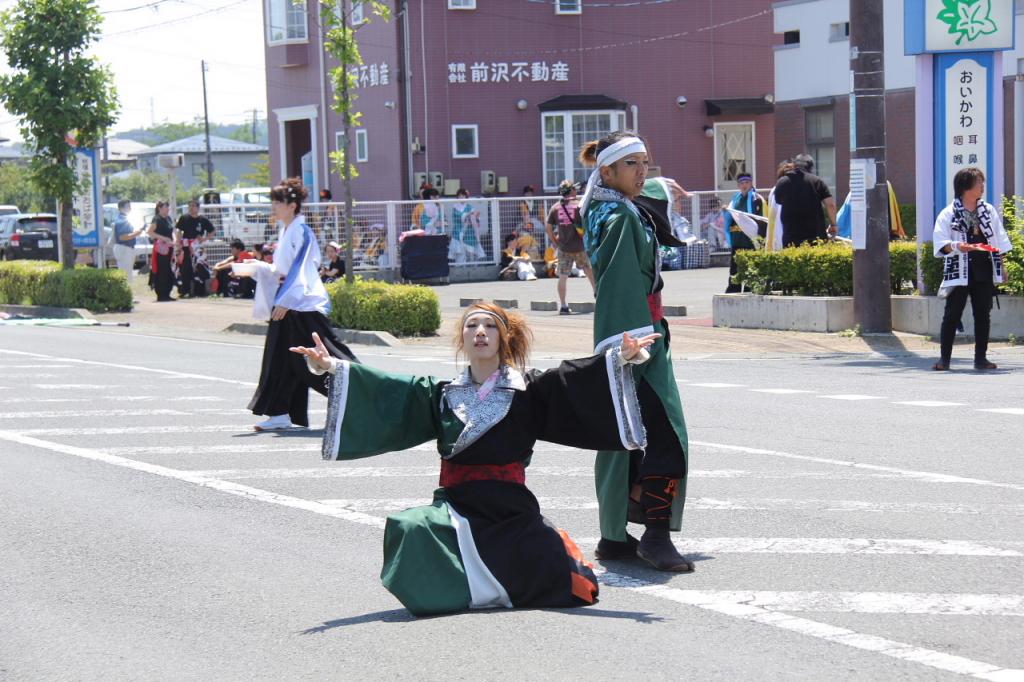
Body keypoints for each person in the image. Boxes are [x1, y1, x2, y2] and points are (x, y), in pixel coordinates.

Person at [290, 302, 660, 616]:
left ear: (503, 338)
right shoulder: (441, 394)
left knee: (566, 580)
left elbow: (576, 380)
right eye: (471, 326)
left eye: (489, 326)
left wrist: (621, 359)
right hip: (455, 507)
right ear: (462, 339)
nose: (480, 332)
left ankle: (544, 549)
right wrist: (330, 368)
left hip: (511, 510)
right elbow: (385, 389)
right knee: (411, 530)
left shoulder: (529, 389)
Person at [578, 130, 693, 572]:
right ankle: (657, 534)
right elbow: (621, 284)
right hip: (636, 338)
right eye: (632, 164)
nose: (642, 171)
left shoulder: (610, 207)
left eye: (646, 162)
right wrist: (630, 348)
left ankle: (613, 536)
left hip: (625, 334)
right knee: (665, 432)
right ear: (606, 171)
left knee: (620, 433)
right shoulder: (622, 217)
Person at [242, 177, 357, 431]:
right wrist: (257, 268)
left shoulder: (301, 231)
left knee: (326, 356)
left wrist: (286, 299)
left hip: (301, 305)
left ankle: (363, 396)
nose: (273, 207)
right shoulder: (287, 230)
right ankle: (280, 412)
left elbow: (302, 267)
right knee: (281, 358)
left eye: (277, 202)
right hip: (289, 301)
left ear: (292, 205)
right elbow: (282, 269)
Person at [932, 167, 1012, 371]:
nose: (982, 186)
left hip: (984, 267)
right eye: (979, 183)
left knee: (983, 314)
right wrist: (958, 246)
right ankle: (944, 359)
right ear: (966, 186)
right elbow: (941, 242)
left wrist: (1002, 266)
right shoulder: (949, 213)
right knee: (952, 314)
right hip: (960, 268)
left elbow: (999, 239)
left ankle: (981, 359)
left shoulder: (988, 210)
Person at [544, 180, 594, 314]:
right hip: (580, 246)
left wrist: (555, 243)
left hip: (564, 248)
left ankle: (564, 305)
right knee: (588, 270)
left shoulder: (555, 207)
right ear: (572, 190)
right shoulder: (579, 206)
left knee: (563, 276)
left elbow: (548, 227)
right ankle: (598, 296)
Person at [773, 153, 837, 247]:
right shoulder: (816, 181)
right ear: (810, 167)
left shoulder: (782, 182)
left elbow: (778, 201)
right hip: (816, 236)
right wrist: (833, 224)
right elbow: (830, 204)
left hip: (791, 237)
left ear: (794, 165)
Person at [722, 173, 765, 293]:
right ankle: (733, 290)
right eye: (741, 183)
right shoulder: (736, 199)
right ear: (738, 185)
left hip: (749, 240)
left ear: (751, 183)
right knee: (734, 269)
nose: (744, 185)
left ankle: (750, 289)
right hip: (737, 239)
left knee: (750, 268)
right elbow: (730, 216)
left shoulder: (756, 199)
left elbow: (759, 219)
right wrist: (726, 210)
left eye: (747, 182)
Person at [175, 200, 216, 297]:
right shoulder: (184, 218)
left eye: (193, 206)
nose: (191, 208)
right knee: (186, 268)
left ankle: (200, 291)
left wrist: (205, 238)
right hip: (186, 246)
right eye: (190, 206)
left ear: (198, 208)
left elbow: (213, 231)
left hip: (198, 247)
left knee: (199, 268)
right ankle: (186, 291)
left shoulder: (203, 219)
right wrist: (178, 242)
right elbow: (179, 231)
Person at [147, 200, 176, 302]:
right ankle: (161, 294)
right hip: (161, 249)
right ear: (159, 208)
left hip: (169, 248)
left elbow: (171, 231)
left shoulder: (168, 218)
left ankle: (167, 292)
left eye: (168, 207)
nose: (168, 209)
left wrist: (174, 240)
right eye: (165, 207)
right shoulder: (157, 219)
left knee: (168, 269)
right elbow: (150, 232)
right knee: (162, 270)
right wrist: (163, 238)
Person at [448, 188, 485, 263]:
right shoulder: (455, 207)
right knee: (459, 253)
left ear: (466, 197)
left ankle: (471, 268)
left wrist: (475, 217)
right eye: (459, 196)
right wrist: (467, 215)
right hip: (457, 231)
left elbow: (475, 220)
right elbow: (456, 217)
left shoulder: (470, 207)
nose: (461, 198)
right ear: (457, 197)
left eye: (463, 196)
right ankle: (459, 267)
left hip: (468, 232)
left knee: (470, 253)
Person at [112, 199, 144, 281]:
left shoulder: (122, 218)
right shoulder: (122, 220)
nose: (130, 208)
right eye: (128, 206)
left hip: (125, 248)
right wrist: (136, 233)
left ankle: (126, 292)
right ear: (122, 208)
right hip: (124, 249)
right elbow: (122, 237)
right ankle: (125, 292)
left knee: (127, 274)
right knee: (126, 276)